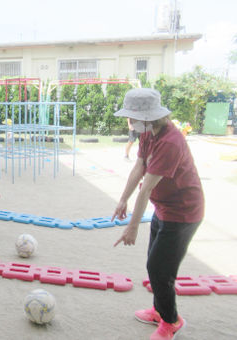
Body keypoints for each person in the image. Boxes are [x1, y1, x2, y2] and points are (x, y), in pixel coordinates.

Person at [111, 88, 204, 340]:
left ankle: (171, 320)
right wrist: (122, 199)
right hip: (164, 207)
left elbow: (147, 187)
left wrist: (132, 226)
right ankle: (158, 310)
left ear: (147, 117)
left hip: (183, 212)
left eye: (132, 117)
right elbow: (139, 167)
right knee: (156, 262)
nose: (129, 122)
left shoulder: (170, 142)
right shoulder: (149, 133)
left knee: (160, 268)